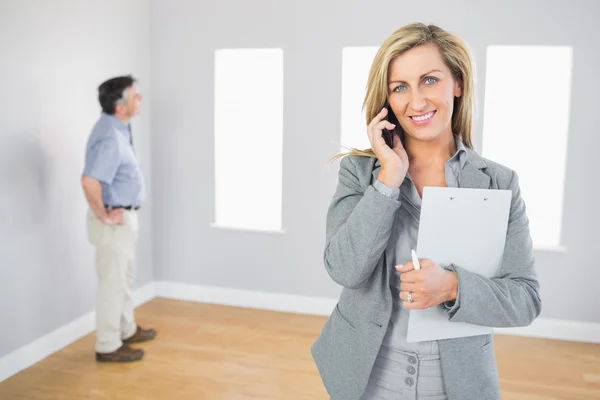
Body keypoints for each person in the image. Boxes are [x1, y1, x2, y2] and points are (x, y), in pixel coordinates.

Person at [311, 23, 541, 399]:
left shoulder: (499, 183)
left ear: (458, 83)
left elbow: (525, 300)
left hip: (455, 383)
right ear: (386, 101)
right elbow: (344, 269)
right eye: (400, 87)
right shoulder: (360, 173)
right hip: (368, 375)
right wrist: (388, 180)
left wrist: (453, 286)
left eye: (429, 80)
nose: (416, 102)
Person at [81, 75, 156, 363]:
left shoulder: (120, 128)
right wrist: (103, 214)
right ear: (120, 107)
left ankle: (126, 328)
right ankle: (108, 345)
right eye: (136, 97)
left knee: (124, 277)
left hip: (124, 218)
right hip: (113, 223)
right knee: (112, 283)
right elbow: (90, 181)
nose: (141, 100)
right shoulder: (111, 137)